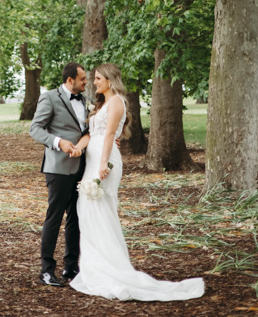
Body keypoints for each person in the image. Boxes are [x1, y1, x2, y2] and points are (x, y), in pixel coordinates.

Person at [68, 63, 205, 301]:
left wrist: (102, 164)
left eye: (99, 78)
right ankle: (94, 266)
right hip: (94, 159)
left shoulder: (117, 102)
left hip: (104, 162)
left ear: (110, 80)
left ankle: (110, 267)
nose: (95, 82)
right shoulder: (103, 103)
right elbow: (96, 133)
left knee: (100, 210)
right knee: (89, 209)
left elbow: (110, 134)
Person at [29, 62, 88, 287]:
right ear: (70, 80)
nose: (86, 82)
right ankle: (46, 270)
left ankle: (71, 267)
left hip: (83, 166)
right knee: (54, 218)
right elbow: (35, 128)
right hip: (58, 168)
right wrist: (58, 142)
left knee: (76, 217)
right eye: (82, 79)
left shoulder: (84, 100)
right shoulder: (50, 97)